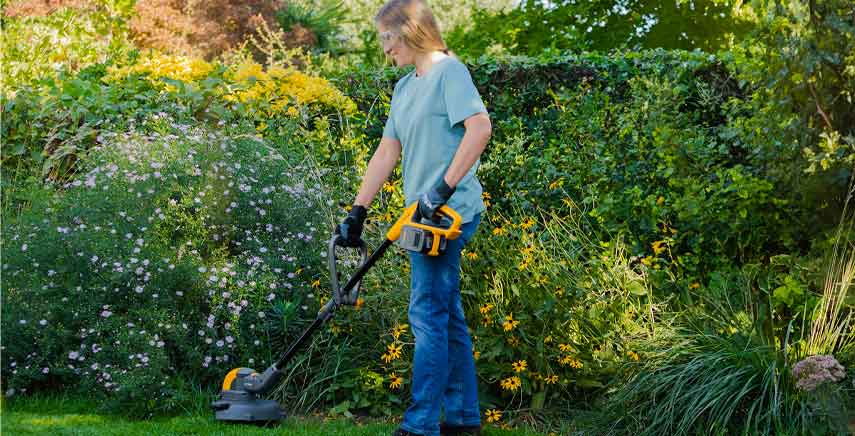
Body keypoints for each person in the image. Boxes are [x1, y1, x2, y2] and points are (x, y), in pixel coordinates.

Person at [333, 1, 492, 435]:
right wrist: (358, 211)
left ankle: (421, 424)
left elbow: (480, 128)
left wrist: (441, 189)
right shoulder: (406, 87)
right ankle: (462, 419)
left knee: (426, 313)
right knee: (445, 314)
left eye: (387, 38)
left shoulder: (449, 72)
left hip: (447, 215)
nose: (385, 50)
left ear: (410, 31)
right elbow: (388, 151)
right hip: (419, 215)